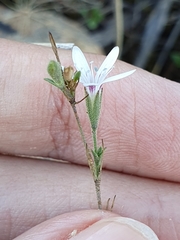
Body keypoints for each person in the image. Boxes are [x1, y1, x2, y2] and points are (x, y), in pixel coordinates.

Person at [0, 38, 179, 240]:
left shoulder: (90, 83)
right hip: (93, 93)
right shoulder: (83, 83)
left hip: (93, 93)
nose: (90, 75)